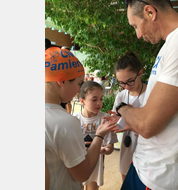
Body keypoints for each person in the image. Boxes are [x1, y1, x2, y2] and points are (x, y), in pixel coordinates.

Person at [104, 0, 178, 189]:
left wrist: (123, 108)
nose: (138, 35)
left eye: (135, 26)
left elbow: (146, 124)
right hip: (146, 165)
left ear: (150, 12)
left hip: (159, 175)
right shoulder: (171, 43)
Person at [45, 47, 118, 190]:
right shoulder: (65, 122)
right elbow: (83, 174)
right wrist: (99, 135)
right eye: (79, 84)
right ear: (61, 81)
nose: (79, 90)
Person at [74, 81, 118, 190]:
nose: (99, 103)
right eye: (94, 99)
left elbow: (110, 147)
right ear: (82, 101)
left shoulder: (105, 119)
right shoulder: (74, 120)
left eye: (101, 99)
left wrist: (105, 150)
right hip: (77, 164)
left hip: (96, 166)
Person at [110, 52, 147, 182]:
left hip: (146, 149)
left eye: (130, 81)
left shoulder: (150, 95)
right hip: (127, 148)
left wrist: (131, 126)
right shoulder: (121, 96)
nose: (126, 86)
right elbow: (117, 122)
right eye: (121, 83)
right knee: (126, 180)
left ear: (140, 73)